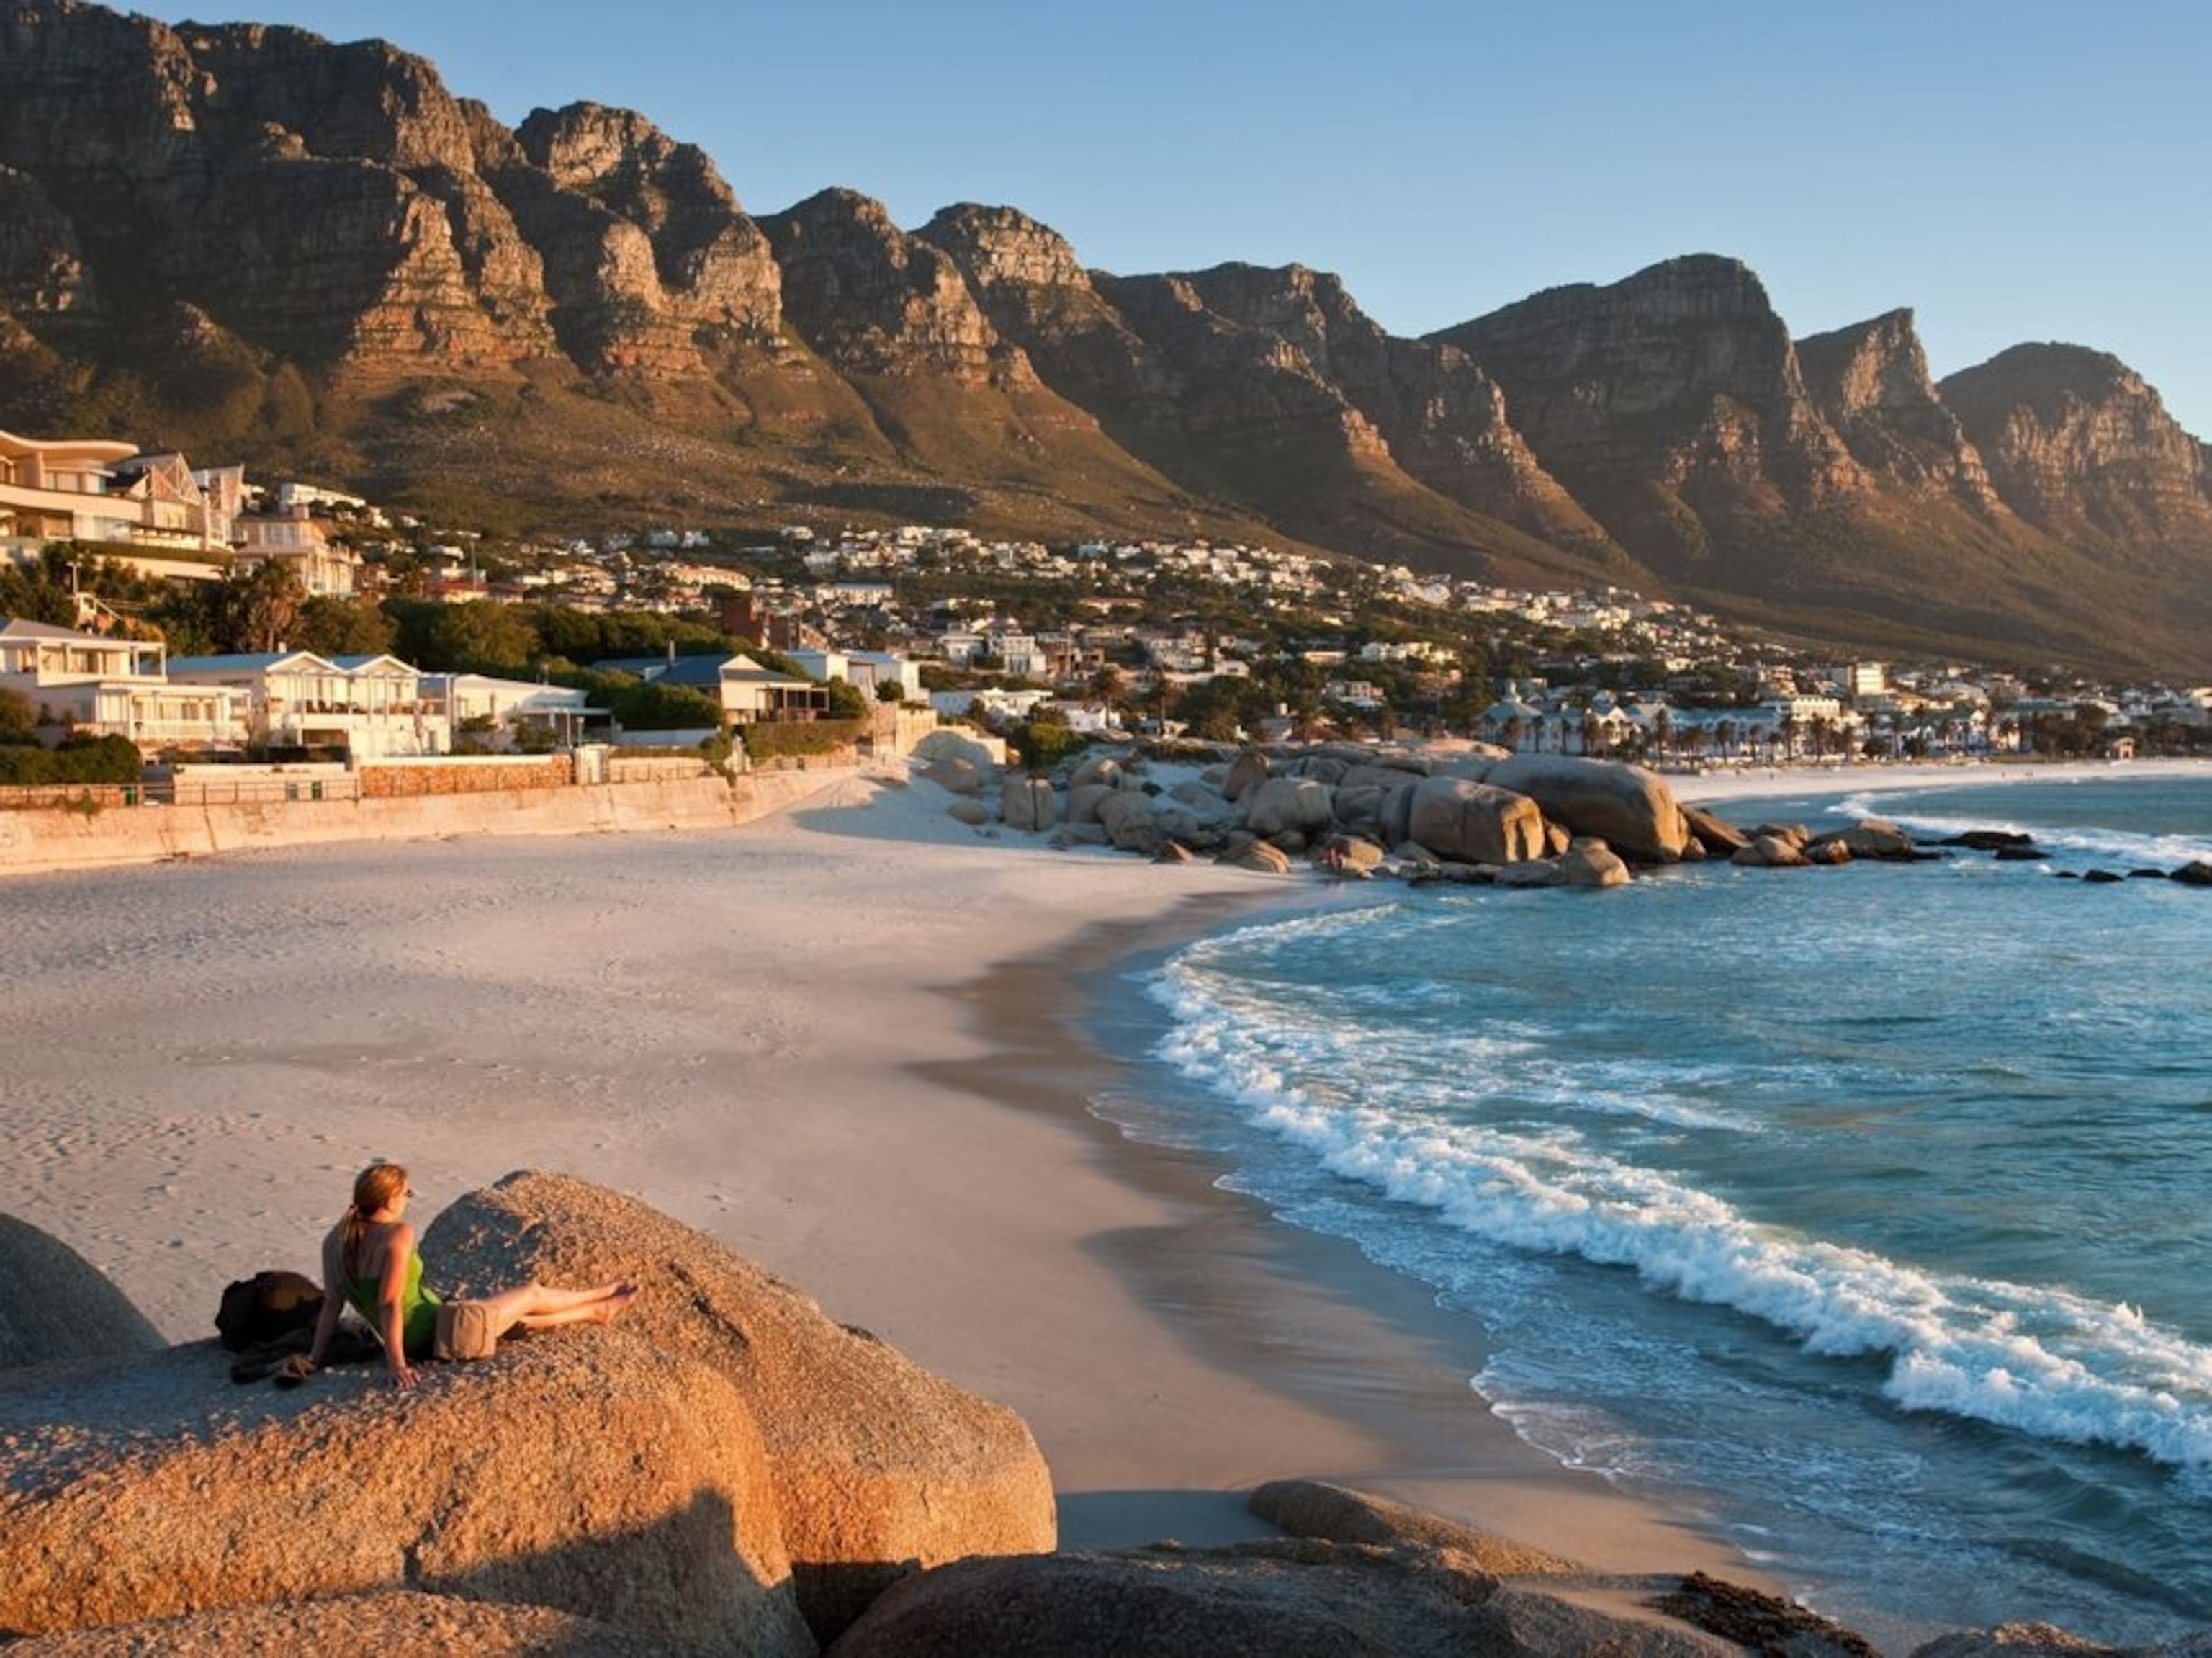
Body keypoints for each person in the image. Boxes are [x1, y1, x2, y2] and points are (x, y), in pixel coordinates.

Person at [305, 1162, 637, 1389]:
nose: (408, 1199)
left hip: (437, 1323)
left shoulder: (335, 1239)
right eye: (407, 1193)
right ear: (390, 1199)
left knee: (523, 1316)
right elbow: (390, 1303)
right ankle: (598, 1303)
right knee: (532, 1293)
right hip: (440, 1335)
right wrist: (397, 1366)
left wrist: (314, 1360)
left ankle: (596, 1304)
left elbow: (331, 1306)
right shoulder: (396, 1235)